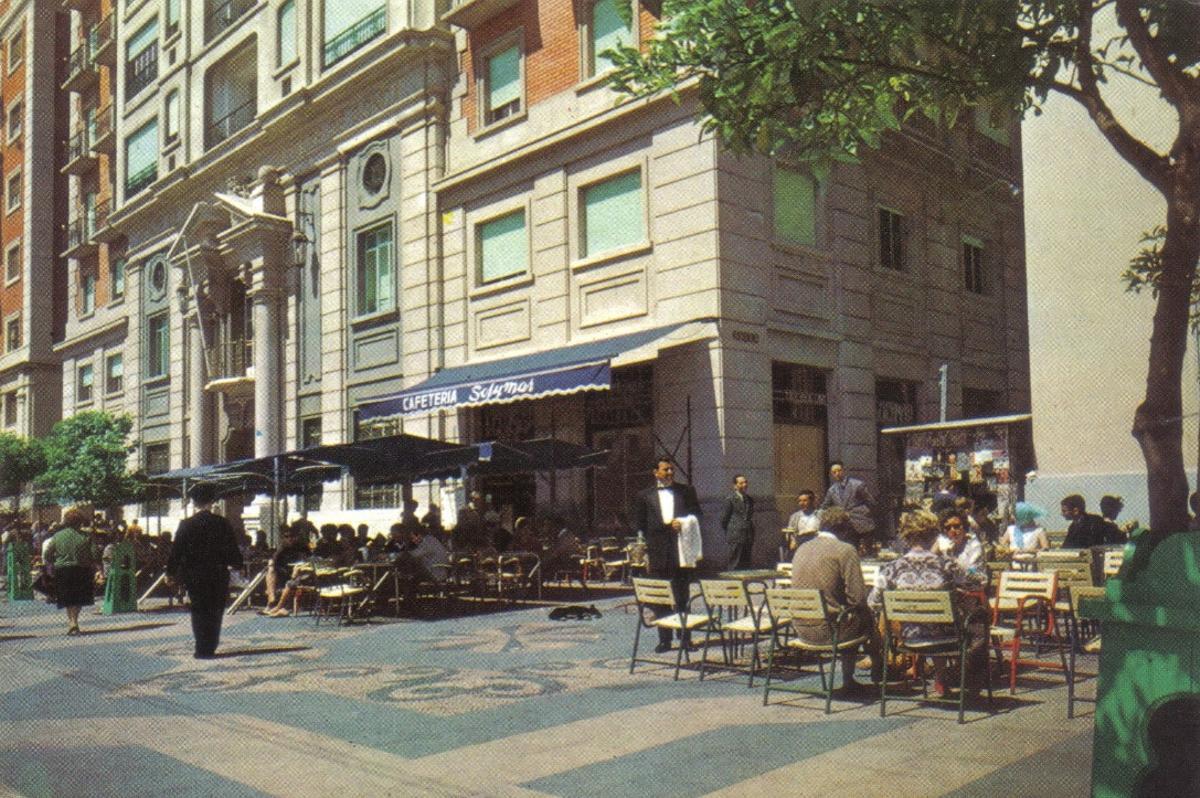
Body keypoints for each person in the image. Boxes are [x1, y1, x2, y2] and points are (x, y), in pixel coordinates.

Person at [869, 509, 988, 695]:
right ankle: (967, 679)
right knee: (972, 621)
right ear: (934, 534)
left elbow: (874, 602)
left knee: (930, 621)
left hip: (908, 638)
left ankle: (940, 678)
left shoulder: (890, 568)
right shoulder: (947, 565)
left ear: (906, 536)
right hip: (945, 638)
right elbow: (980, 581)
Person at [790, 507, 882, 695]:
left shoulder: (802, 548)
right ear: (845, 529)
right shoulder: (845, 550)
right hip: (830, 632)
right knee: (866, 617)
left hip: (801, 628)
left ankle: (874, 666)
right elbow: (857, 598)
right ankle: (872, 668)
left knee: (853, 616)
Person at [633, 457, 703, 653]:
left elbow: (697, 514)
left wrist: (684, 521)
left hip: (681, 550)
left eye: (672, 469)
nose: (670, 473)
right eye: (666, 470)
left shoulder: (686, 491)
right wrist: (643, 550)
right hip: (657, 553)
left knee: (682, 596)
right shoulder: (644, 495)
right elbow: (639, 525)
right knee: (661, 598)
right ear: (655, 472)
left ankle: (685, 638)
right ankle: (664, 639)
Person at [167, 484, 243, 659]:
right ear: (212, 501)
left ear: (194, 502)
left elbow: (176, 552)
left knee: (199, 610)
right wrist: (237, 564)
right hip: (217, 574)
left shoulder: (186, 525)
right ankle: (211, 645)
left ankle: (201, 648)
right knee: (215, 611)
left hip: (194, 575)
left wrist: (171, 572)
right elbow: (232, 550)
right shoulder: (222, 523)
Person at [43, 507, 97, 635]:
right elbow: (94, 554)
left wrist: (52, 562)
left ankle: (71, 622)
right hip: (81, 569)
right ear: (80, 522)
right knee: (78, 597)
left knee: (68, 597)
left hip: (63, 570)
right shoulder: (87, 536)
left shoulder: (57, 536)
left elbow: (47, 554)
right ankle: (75, 621)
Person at [820, 461, 877, 549]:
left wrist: (866, 514)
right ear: (831, 474)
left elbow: (871, 502)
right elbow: (825, 506)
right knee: (850, 550)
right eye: (834, 472)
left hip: (862, 523)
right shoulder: (832, 490)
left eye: (839, 470)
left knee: (867, 553)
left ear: (844, 470)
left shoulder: (857, 485)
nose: (837, 474)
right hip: (845, 526)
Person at [934, 509, 985, 581]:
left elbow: (972, 572)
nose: (952, 530)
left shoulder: (974, 546)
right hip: (953, 589)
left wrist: (953, 560)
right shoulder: (947, 547)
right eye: (948, 528)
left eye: (956, 526)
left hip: (973, 588)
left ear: (964, 527)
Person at [719, 474, 755, 570]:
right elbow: (724, 519)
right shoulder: (730, 499)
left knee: (746, 563)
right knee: (734, 562)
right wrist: (732, 530)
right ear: (735, 486)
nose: (744, 485)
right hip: (735, 535)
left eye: (745, 482)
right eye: (741, 483)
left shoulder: (750, 500)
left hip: (748, 535)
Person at [783, 490, 821, 557]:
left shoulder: (820, 515)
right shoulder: (795, 516)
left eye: (805, 501)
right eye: (799, 501)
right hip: (800, 545)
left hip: (816, 544)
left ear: (812, 501)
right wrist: (792, 540)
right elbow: (789, 533)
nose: (801, 503)